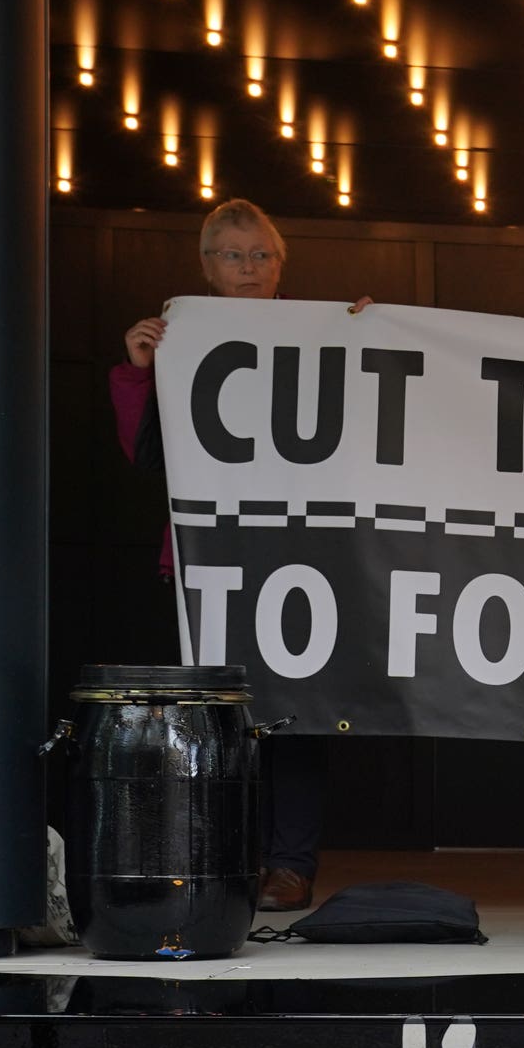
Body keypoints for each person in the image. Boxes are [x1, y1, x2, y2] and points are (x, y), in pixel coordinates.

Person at [110, 199, 369, 912]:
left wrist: (380, 338)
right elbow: (147, 461)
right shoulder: (175, 339)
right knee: (215, 720)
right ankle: (221, 861)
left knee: (298, 718)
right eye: (233, 255)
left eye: (261, 255)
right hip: (213, 558)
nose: (248, 268)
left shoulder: (329, 330)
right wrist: (139, 371)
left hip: (306, 556)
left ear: (281, 265)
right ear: (206, 267)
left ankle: (289, 866)